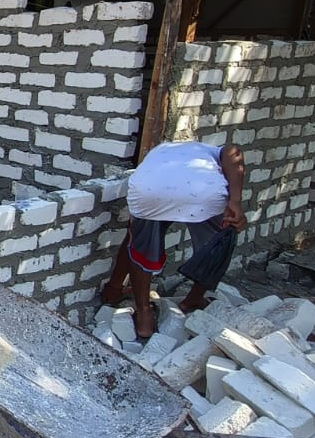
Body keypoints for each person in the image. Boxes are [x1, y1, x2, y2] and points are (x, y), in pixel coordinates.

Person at [99, 140, 247, 339]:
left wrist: (113, 287)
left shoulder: (160, 155)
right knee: (217, 246)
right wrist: (235, 201)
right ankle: (193, 299)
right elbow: (233, 150)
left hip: (149, 192)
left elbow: (131, 243)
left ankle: (143, 314)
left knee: (139, 247)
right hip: (203, 193)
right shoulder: (213, 152)